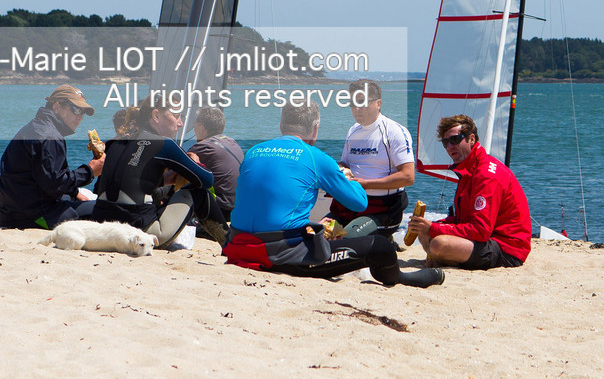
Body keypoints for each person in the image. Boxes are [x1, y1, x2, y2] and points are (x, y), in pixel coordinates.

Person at [222, 102, 444, 287]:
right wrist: (346, 176)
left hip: (236, 246)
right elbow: (359, 202)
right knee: (381, 246)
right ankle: (401, 278)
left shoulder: (253, 151)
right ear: (316, 129)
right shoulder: (316, 157)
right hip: (279, 255)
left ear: (281, 125)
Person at [91, 99, 218, 248]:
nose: (180, 123)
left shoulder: (114, 143)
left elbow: (124, 182)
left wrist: (163, 180)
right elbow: (206, 180)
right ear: (156, 116)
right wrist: (196, 162)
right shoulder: (164, 144)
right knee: (199, 193)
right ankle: (228, 244)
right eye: (177, 116)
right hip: (140, 233)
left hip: (102, 228)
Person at [410, 114, 531, 270]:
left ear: (471, 138)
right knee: (423, 232)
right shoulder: (468, 170)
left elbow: (480, 231)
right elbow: (464, 220)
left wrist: (433, 228)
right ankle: (444, 258)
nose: (449, 147)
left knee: (439, 244)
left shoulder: (486, 174)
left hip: (507, 250)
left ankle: (443, 258)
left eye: (454, 140)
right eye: (445, 143)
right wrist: (430, 225)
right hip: (486, 240)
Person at [0, 84, 104, 229]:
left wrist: (74, 192)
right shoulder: (50, 136)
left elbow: (43, 177)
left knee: (74, 198)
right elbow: (54, 184)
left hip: (13, 211)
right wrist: (90, 171)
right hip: (33, 216)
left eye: (82, 112)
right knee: (103, 208)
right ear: (57, 107)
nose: (80, 117)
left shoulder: (37, 127)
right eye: (76, 109)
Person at [329, 78, 414, 231]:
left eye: (362, 103)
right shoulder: (353, 131)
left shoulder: (394, 132)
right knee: (317, 235)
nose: (357, 109)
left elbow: (408, 177)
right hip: (352, 202)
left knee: (345, 242)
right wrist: (336, 170)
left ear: (378, 103)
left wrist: (367, 184)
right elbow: (345, 164)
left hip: (383, 208)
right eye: (352, 104)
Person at [185, 104, 243, 222]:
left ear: (201, 128)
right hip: (239, 209)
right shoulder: (232, 142)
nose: (194, 130)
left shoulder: (203, 147)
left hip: (221, 211)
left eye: (195, 126)